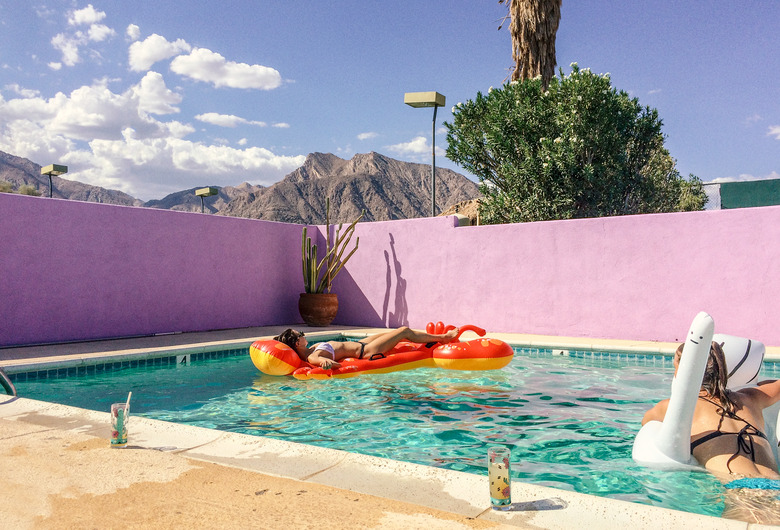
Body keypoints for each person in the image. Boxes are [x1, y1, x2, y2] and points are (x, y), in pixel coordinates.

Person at [642, 341, 780, 523]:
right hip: (776, 486)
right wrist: (757, 384)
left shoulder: (675, 408)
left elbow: (646, 428)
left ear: (683, 371)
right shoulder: (751, 398)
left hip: (743, 493)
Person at [273, 326, 459, 370]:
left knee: (395, 331)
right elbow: (328, 364)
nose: (304, 335)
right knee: (404, 331)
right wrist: (327, 364)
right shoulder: (314, 356)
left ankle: (437, 336)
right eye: (301, 335)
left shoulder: (311, 348)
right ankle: (443, 337)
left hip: (364, 343)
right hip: (366, 351)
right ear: (298, 343)